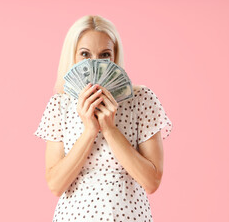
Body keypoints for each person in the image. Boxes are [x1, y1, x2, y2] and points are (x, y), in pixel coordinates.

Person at [33, 15, 173, 222]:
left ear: (115, 57)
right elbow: (55, 185)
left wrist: (110, 129)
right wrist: (89, 131)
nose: (95, 63)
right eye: (85, 54)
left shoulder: (141, 99)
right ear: (73, 56)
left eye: (105, 54)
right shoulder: (59, 105)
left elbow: (151, 182)